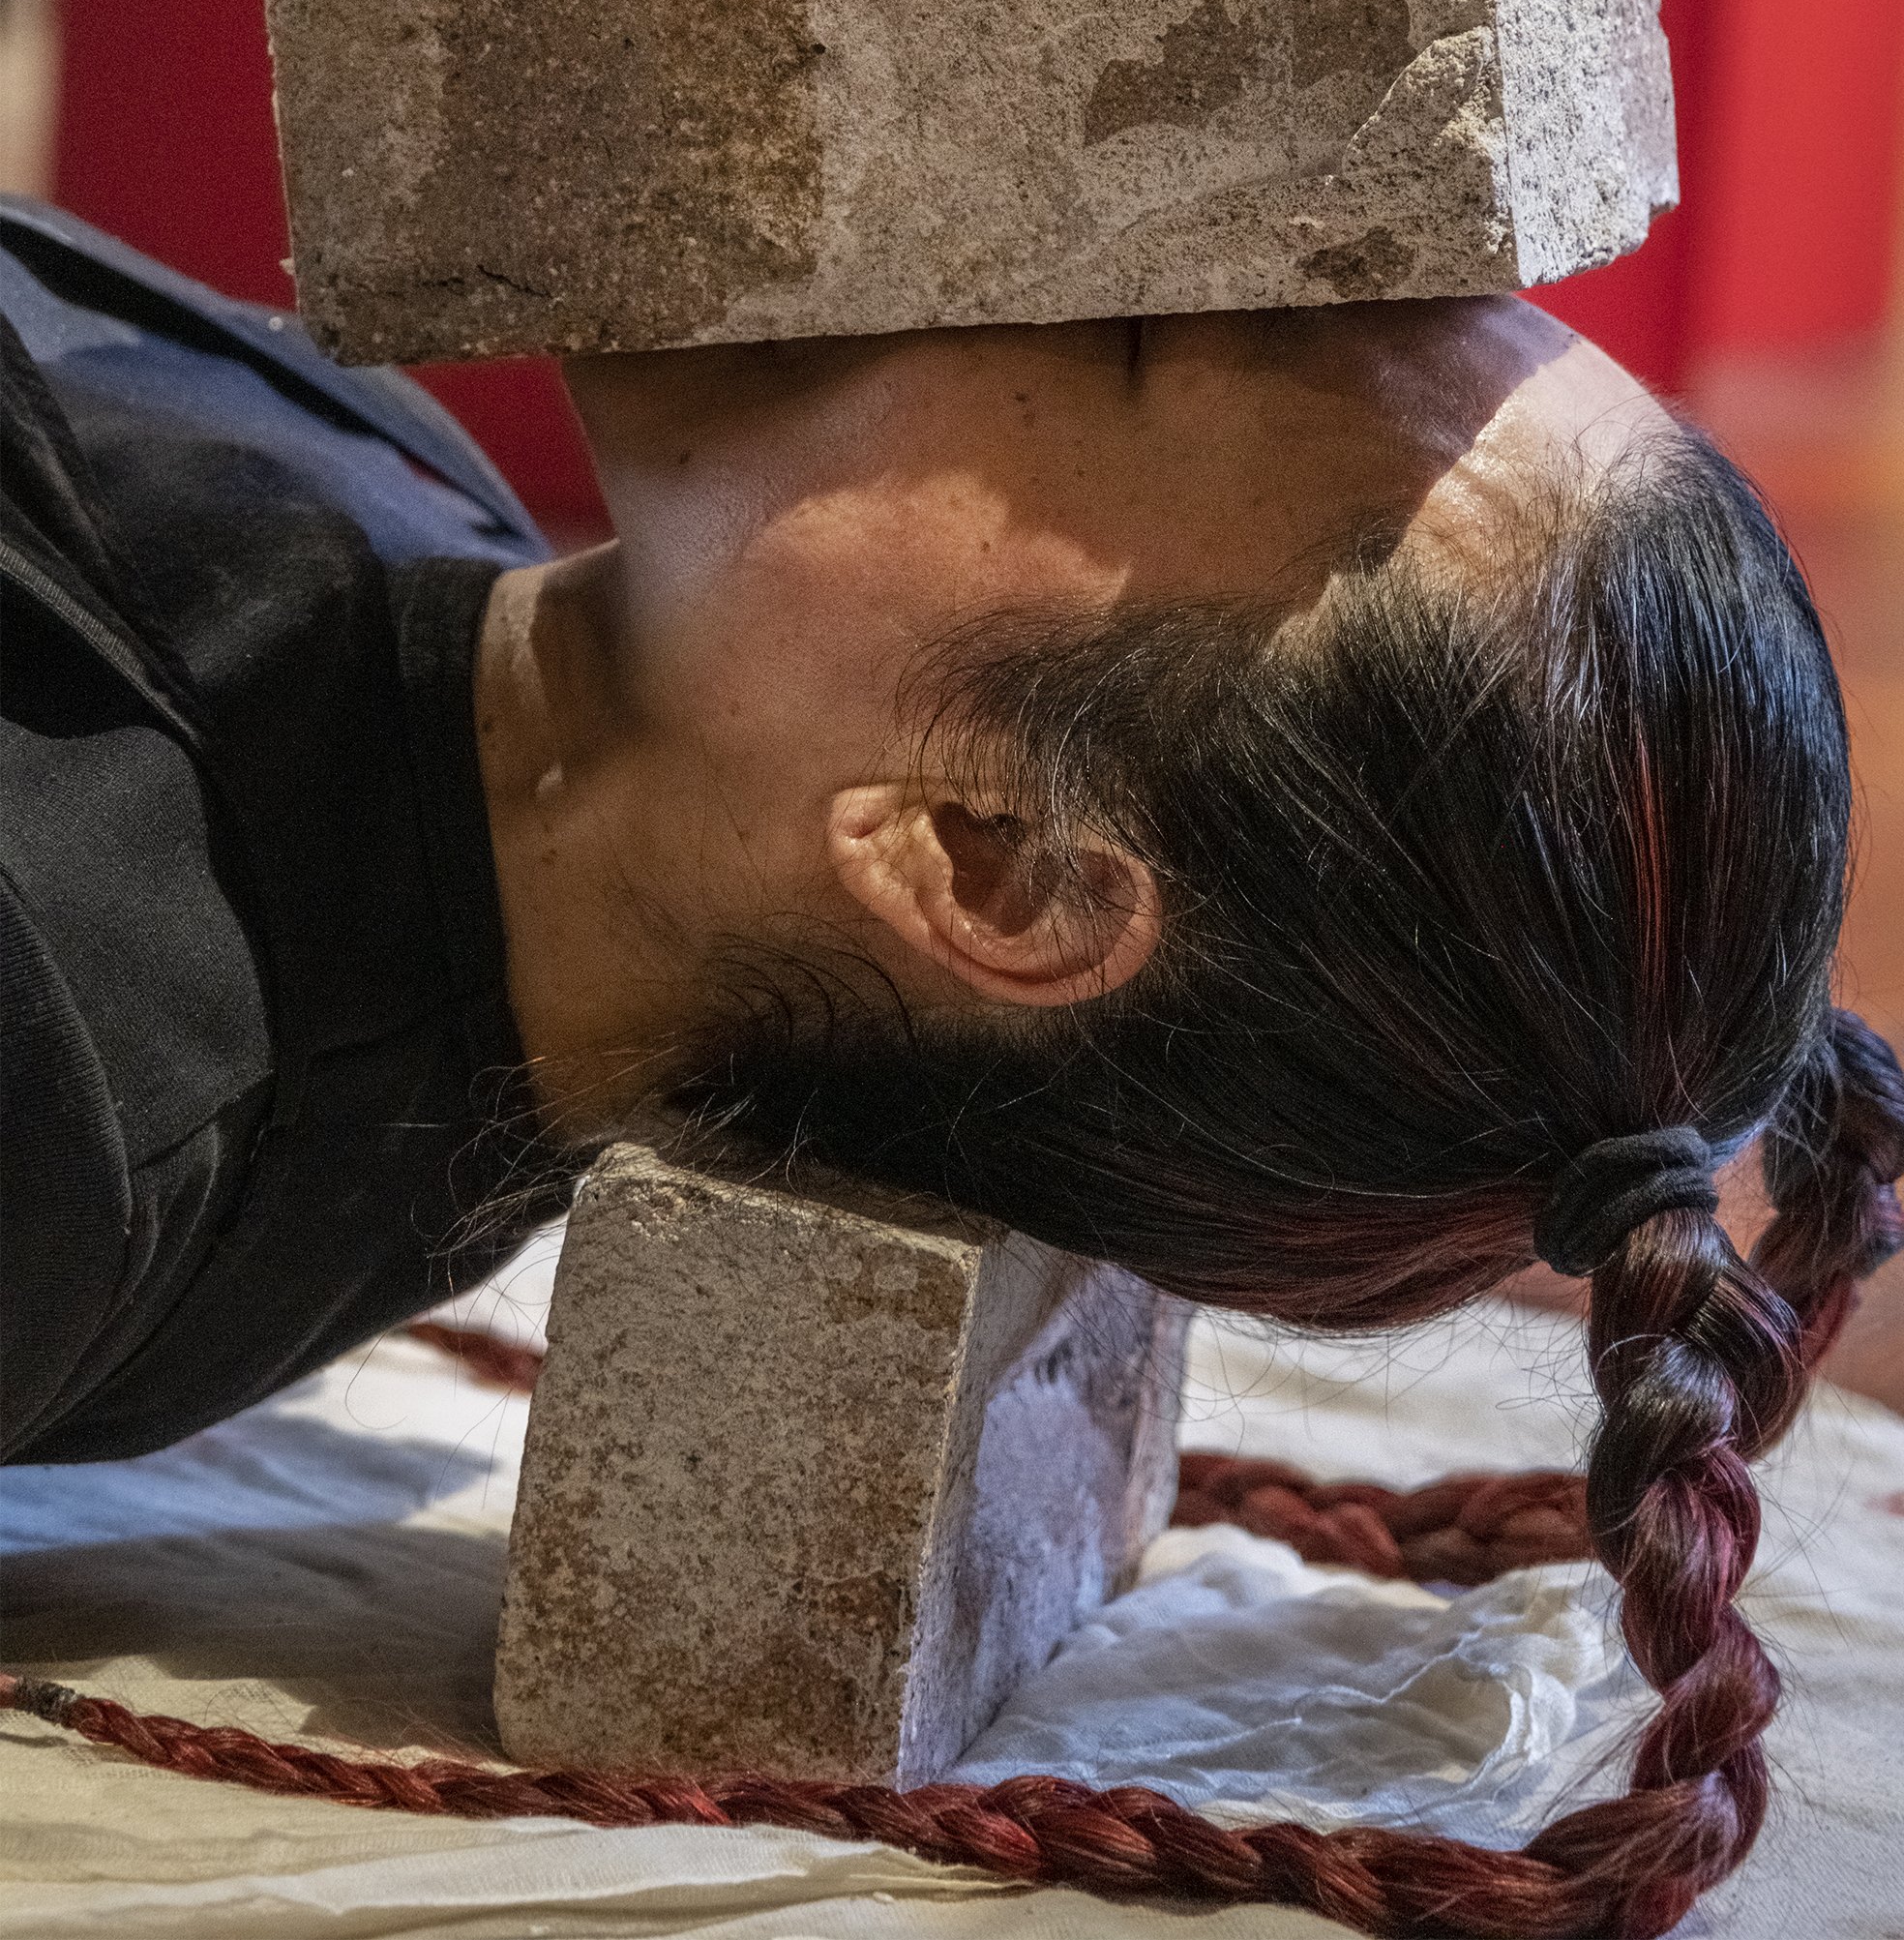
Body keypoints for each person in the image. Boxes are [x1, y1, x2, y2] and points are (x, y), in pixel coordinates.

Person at [3, 192, 1900, 1939]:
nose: (1002, 161)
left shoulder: (66, 1055)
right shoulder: (427, 521)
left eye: (1132, 337)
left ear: (986, 858)